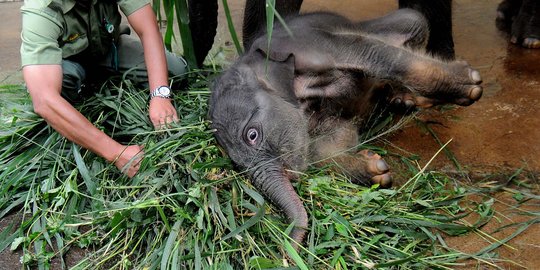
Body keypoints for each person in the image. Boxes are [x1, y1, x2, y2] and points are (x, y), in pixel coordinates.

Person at [20, 0, 187, 177]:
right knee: (56, 96)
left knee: (176, 71)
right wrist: (116, 153)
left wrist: (160, 94)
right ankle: (74, 116)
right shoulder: (41, 9)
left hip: (108, 50)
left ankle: (100, 82)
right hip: (66, 63)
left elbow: (148, 29)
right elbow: (44, 101)